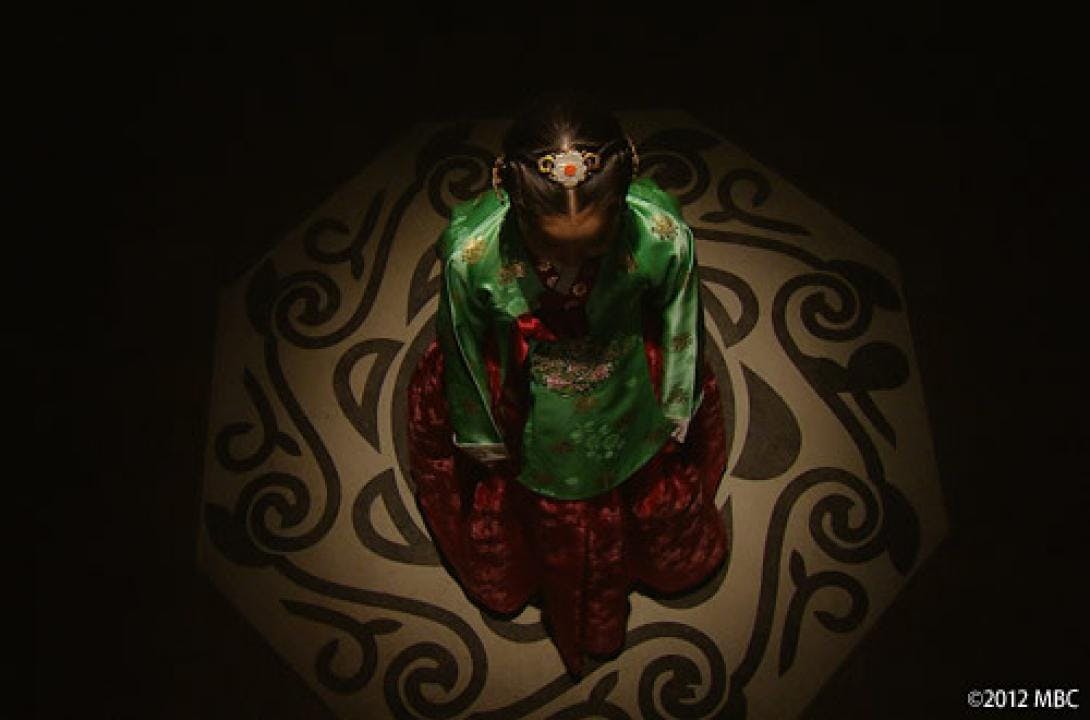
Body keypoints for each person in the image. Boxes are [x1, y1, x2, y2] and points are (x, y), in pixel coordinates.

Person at [406, 90, 729, 676]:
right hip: (522, 392)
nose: (575, 262)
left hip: (626, 376)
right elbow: (463, 347)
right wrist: (480, 434)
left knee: (637, 469)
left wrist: (677, 404)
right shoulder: (470, 255)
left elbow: (682, 323)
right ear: (511, 198)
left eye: (597, 244)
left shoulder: (662, 233)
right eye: (551, 246)